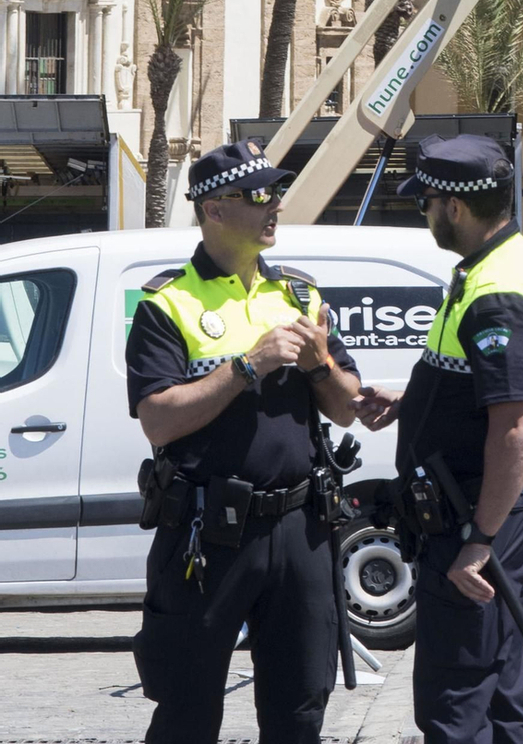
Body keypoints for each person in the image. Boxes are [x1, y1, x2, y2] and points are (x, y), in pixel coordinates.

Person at [125, 138, 362, 744]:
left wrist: (319, 366)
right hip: (210, 533)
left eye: (277, 193)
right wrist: (246, 366)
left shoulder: (301, 295)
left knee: (300, 712)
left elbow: (345, 407)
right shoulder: (167, 302)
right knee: (186, 711)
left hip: (300, 527)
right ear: (214, 210)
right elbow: (158, 420)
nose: (274, 205)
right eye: (258, 196)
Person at [354, 135, 523, 744]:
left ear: (453, 207)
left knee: (454, 698)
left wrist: (480, 541)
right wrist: (413, 403)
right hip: (475, 504)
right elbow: (485, 392)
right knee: (497, 688)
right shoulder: (493, 267)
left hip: (476, 513)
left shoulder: (497, 294)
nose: (424, 214)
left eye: (425, 203)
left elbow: (517, 428)